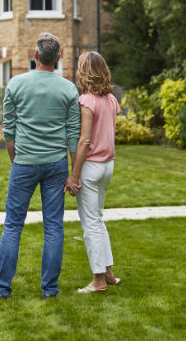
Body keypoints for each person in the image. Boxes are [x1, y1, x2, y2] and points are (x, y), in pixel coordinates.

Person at [0, 33, 80, 300]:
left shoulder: (16, 84)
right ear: (58, 58)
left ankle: (2, 289)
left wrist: (15, 161)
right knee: (54, 226)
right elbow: (74, 135)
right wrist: (74, 173)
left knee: (13, 225)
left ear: (35, 56)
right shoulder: (68, 89)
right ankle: (50, 290)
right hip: (56, 164)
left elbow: (9, 131)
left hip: (25, 163)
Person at [65, 51, 121, 293]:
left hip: (92, 167)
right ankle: (108, 273)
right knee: (98, 219)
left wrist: (74, 176)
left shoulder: (87, 100)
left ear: (84, 72)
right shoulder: (111, 100)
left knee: (91, 224)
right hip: (108, 166)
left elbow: (84, 141)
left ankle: (98, 280)